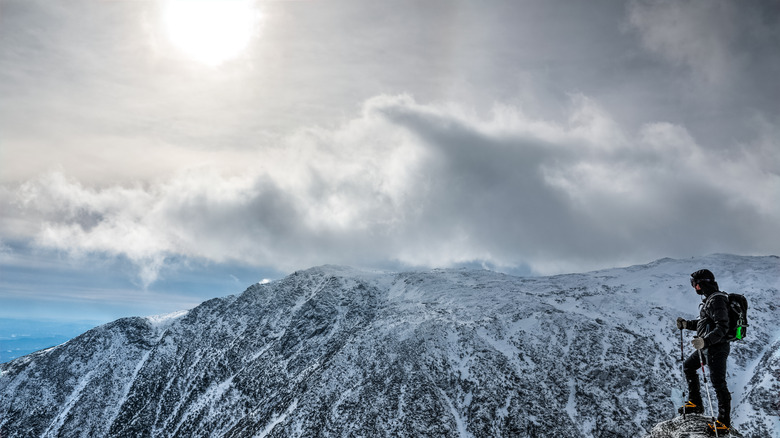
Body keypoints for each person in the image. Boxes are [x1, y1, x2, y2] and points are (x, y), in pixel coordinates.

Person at [676, 269, 731, 433]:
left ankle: (723, 424)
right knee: (688, 366)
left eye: (695, 284)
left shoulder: (717, 300)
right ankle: (695, 403)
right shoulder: (711, 300)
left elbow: (722, 327)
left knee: (718, 384)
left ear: (702, 283)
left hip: (716, 348)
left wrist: (705, 341)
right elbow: (705, 323)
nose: (695, 288)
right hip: (708, 346)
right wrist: (687, 324)